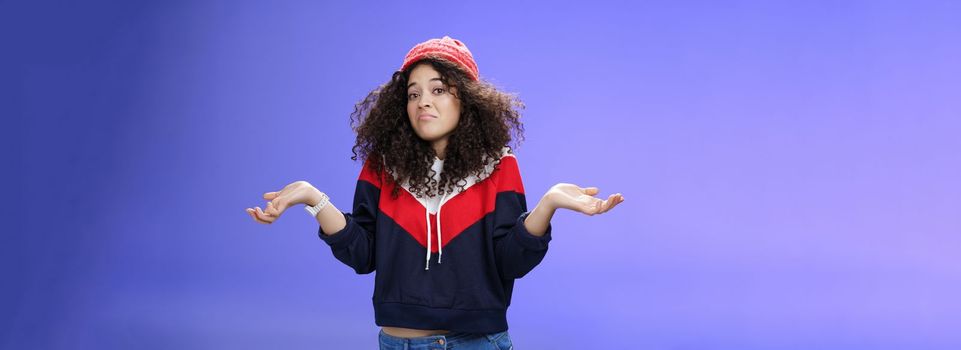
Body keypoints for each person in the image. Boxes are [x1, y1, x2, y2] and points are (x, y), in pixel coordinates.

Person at [245, 36, 624, 349]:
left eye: (439, 89)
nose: (423, 101)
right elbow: (363, 253)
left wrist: (548, 204)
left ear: (468, 100)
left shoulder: (499, 166)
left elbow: (510, 262)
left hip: (476, 343)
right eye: (413, 94)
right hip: (397, 342)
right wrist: (314, 199)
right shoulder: (381, 168)